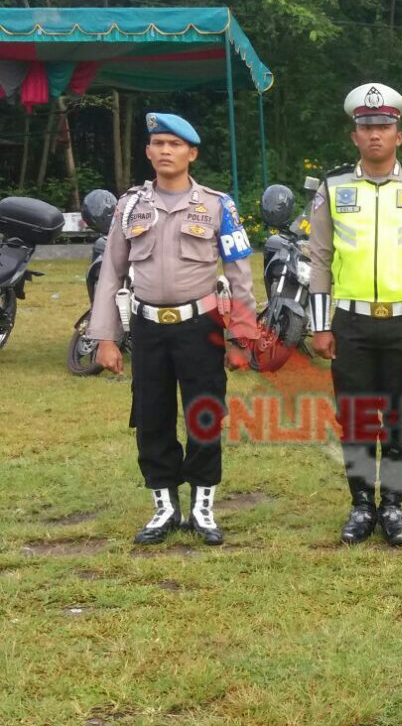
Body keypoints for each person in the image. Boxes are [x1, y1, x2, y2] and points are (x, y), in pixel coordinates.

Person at [91, 112, 257, 546]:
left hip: (200, 326)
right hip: (147, 329)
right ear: (148, 151)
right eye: (158, 143)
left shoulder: (219, 205)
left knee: (204, 415)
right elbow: (111, 272)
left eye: (175, 144)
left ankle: (202, 509)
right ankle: (164, 508)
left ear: (192, 153)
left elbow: (240, 274)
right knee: (151, 417)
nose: (165, 151)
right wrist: (105, 337)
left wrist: (241, 338)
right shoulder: (129, 206)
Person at [307, 82, 402, 547]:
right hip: (350, 322)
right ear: (355, 135)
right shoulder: (332, 187)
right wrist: (319, 324)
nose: (375, 134)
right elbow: (319, 259)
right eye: (366, 126)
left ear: (399, 135)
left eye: (384, 126)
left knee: (401, 416)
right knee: (354, 417)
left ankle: (392, 505)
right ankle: (359, 506)